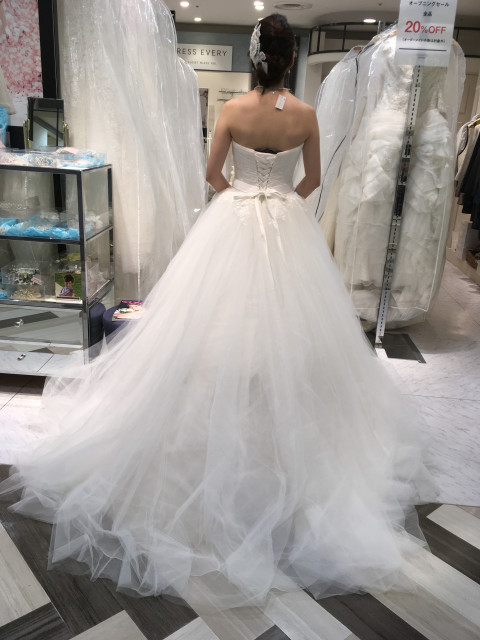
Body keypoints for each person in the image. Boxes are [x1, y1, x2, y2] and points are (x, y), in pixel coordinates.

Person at [0, 14, 435, 611]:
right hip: (288, 225)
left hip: (231, 223)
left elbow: (212, 175)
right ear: (290, 59)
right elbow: (312, 179)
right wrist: (280, 201)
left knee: (211, 328)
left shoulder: (231, 111)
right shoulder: (307, 115)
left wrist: (242, 197)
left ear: (255, 57)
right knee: (293, 330)